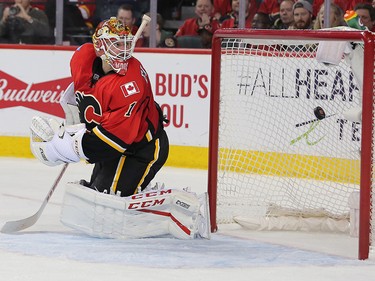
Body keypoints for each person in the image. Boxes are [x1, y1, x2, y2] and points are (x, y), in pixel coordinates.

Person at [29, 17, 209, 239]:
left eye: (126, 43)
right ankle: (139, 191)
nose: (124, 50)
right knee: (95, 198)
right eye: (117, 43)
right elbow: (83, 90)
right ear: (100, 46)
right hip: (116, 141)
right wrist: (73, 115)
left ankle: (183, 207)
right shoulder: (83, 57)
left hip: (141, 148)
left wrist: (64, 148)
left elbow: (114, 140)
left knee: (110, 204)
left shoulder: (129, 82)